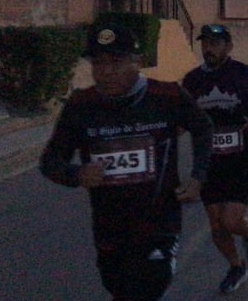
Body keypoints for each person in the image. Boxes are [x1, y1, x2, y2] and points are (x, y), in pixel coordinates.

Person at [40, 23, 212, 301]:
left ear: (138, 62)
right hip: (110, 228)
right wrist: (76, 174)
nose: (106, 71)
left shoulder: (167, 96)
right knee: (118, 289)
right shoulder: (81, 105)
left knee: (145, 291)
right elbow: (50, 161)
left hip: (159, 224)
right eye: (98, 62)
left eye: (116, 61)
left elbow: (203, 127)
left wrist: (198, 177)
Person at [182, 24, 248, 294]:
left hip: (241, 158)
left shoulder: (245, 74)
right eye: (205, 43)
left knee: (231, 220)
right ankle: (237, 266)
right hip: (208, 161)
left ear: (228, 46)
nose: (208, 48)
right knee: (215, 224)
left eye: (215, 43)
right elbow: (182, 114)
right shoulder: (191, 80)